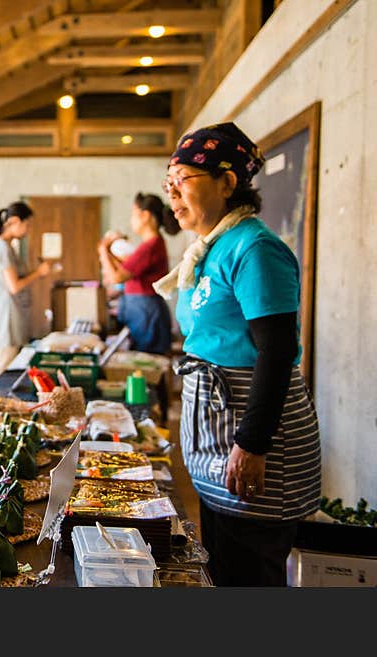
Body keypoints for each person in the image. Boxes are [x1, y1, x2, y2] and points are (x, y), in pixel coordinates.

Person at [153, 122, 321, 586]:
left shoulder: (254, 247)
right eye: (169, 183)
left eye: (183, 179)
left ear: (227, 182)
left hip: (252, 437)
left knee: (249, 574)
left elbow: (277, 350)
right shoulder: (209, 247)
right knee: (223, 568)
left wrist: (251, 444)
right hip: (217, 436)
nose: (173, 192)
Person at [0, 202, 59, 384]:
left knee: (8, 367)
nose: (28, 230)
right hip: (6, 318)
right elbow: (14, 286)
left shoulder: (9, 247)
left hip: (13, 315)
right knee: (1, 371)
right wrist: (39, 272)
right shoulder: (1, 247)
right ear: (14, 222)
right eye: (27, 225)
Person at [98, 193, 180, 355]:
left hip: (146, 311)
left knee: (148, 360)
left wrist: (102, 249)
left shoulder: (150, 246)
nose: (131, 221)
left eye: (133, 215)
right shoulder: (150, 245)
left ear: (145, 216)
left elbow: (117, 277)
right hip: (143, 309)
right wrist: (107, 252)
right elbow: (123, 269)